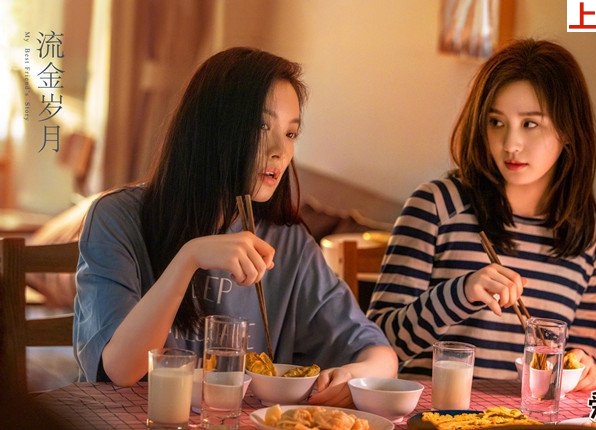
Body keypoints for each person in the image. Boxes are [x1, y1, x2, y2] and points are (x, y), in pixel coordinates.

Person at [73, 47, 398, 407]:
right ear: (211, 128)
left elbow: (379, 355)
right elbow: (121, 369)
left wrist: (355, 375)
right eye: (261, 126)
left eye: (291, 133)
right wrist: (188, 259)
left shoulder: (287, 241)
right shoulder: (117, 218)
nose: (280, 150)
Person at [367, 39, 596, 391]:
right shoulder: (437, 205)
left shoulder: (587, 233)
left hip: (525, 416)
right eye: (496, 122)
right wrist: (461, 292)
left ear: (569, 131)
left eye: (530, 124)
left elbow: (581, 352)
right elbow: (378, 343)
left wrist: (584, 366)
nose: (510, 144)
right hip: (432, 412)